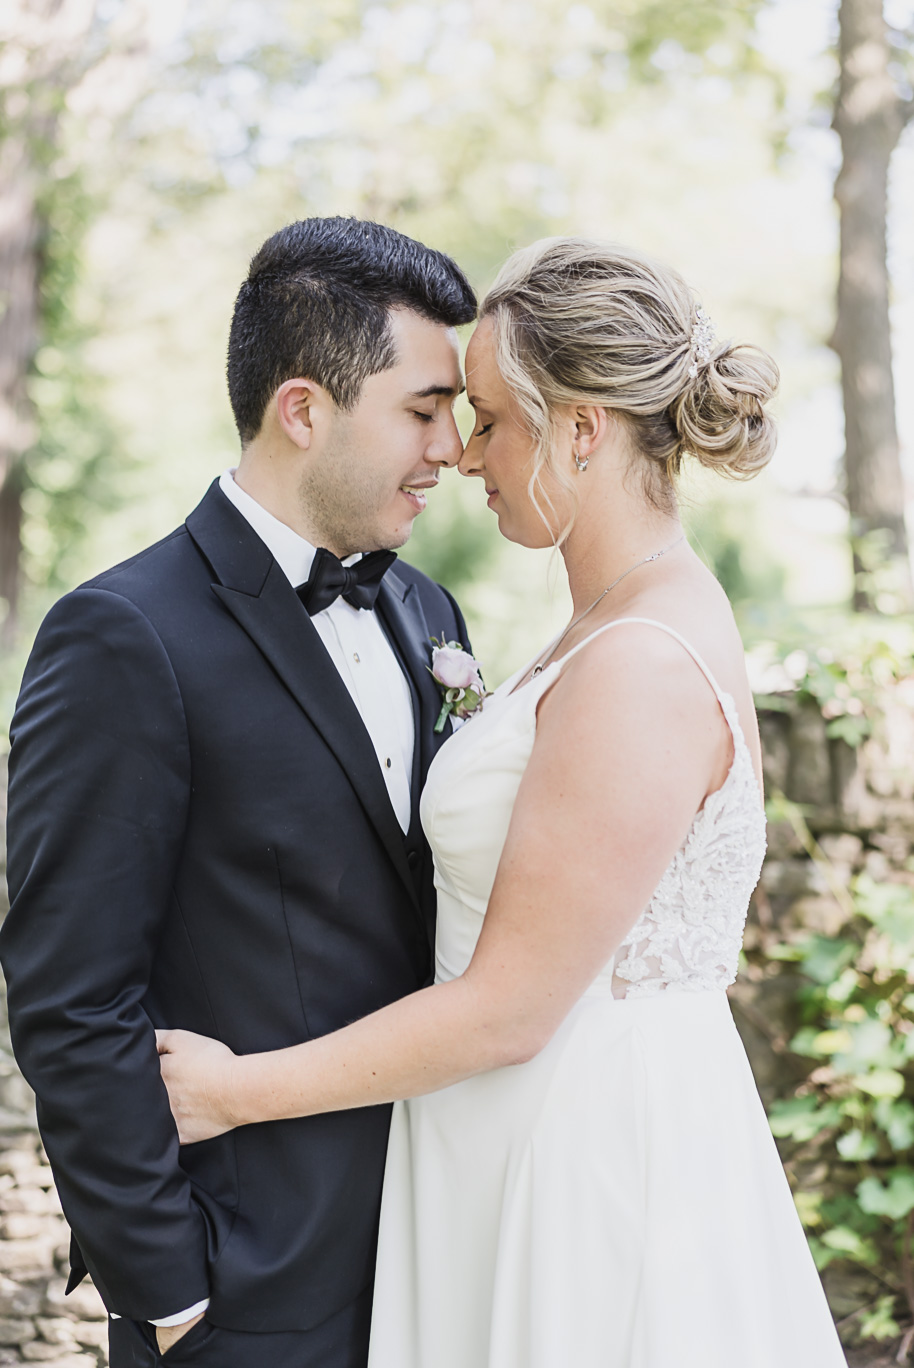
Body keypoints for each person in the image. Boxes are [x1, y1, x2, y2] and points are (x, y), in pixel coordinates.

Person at [159, 237, 848, 1367]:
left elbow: (509, 1009)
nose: (464, 455)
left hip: (580, 1169)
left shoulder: (636, 661)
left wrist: (239, 1091)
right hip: (511, 1137)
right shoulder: (611, 617)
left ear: (580, 429)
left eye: (488, 419)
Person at [0, 216, 477, 1368]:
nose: (453, 449)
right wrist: (164, 1282)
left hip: (445, 1241)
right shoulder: (123, 636)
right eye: (422, 408)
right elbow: (69, 993)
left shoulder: (428, 616)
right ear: (304, 409)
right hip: (248, 1287)